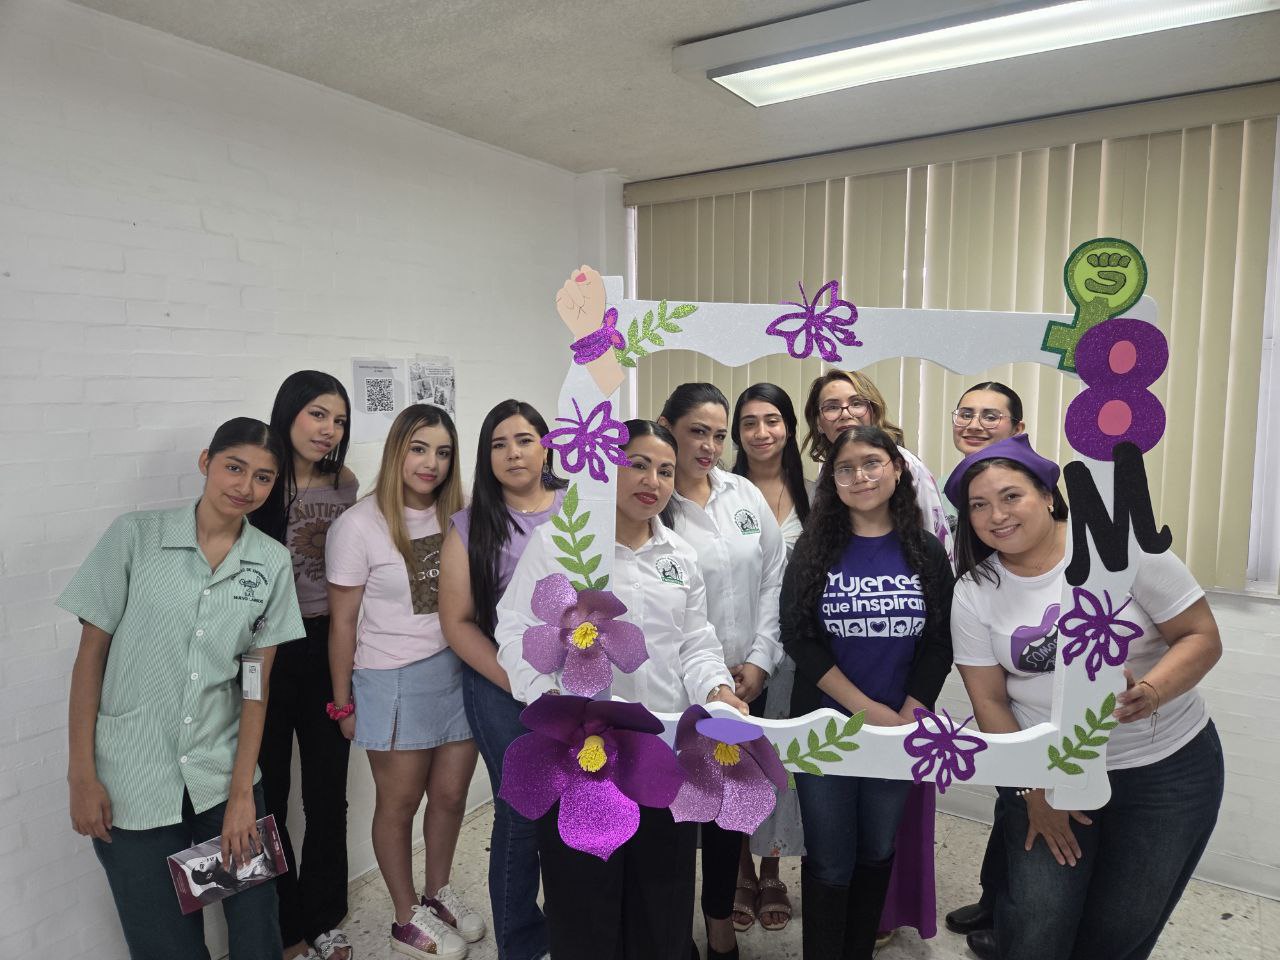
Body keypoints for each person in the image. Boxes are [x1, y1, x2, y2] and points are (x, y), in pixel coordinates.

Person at [948, 435, 1224, 960]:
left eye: (1011, 496)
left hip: (1166, 771)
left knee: (1123, 924)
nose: (996, 516)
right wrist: (1032, 790)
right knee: (1037, 920)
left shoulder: (1121, 548)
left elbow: (1201, 636)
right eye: (979, 505)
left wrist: (1151, 692)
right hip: (1048, 773)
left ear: (1048, 495)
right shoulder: (976, 589)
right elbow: (989, 701)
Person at [495, 419, 749, 960]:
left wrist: (717, 688)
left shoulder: (679, 556)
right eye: (638, 464)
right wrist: (546, 697)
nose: (652, 481)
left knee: (662, 898)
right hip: (582, 755)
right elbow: (514, 629)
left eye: (666, 470)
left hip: (663, 751)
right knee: (584, 901)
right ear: (606, 468)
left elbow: (695, 643)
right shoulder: (561, 544)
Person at [60, 418, 305, 960]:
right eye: (234, 467)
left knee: (256, 932)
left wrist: (242, 796)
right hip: (132, 782)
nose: (245, 486)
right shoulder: (135, 537)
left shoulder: (269, 563)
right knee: (165, 945)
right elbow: (90, 659)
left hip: (222, 776)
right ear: (205, 462)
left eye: (263, 477)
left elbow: (255, 684)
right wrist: (81, 775)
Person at [781, 425, 954, 960]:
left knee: (877, 849)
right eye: (845, 468)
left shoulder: (925, 551)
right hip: (825, 729)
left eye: (872, 463)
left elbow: (940, 642)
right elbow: (799, 639)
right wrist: (866, 711)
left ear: (897, 469)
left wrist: (910, 712)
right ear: (832, 481)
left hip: (899, 730)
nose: (860, 476)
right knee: (830, 860)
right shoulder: (813, 549)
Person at [326, 404, 484, 960]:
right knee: (400, 803)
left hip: (458, 670)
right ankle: (403, 916)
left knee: (450, 795)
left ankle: (438, 893)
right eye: (419, 449)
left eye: (443, 452)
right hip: (390, 677)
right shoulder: (358, 526)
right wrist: (342, 703)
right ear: (397, 450)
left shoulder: (462, 515)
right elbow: (342, 623)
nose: (430, 463)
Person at [657, 383, 787, 959]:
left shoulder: (742, 494)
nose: (709, 446)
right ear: (668, 428)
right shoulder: (652, 504)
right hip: (674, 689)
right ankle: (668, 929)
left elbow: (773, 577)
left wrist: (760, 658)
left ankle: (718, 924)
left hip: (742, 686)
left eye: (717, 434)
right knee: (672, 813)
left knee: (726, 812)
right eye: (696, 432)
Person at [439, 399, 567, 960]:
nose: (513, 453)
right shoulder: (471, 526)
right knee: (521, 814)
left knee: (576, 807)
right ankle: (522, 943)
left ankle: (572, 924)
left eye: (524, 440)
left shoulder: (578, 507)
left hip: (577, 683)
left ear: (547, 446)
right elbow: (457, 623)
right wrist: (519, 682)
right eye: (498, 444)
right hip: (500, 684)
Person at [249, 371, 358, 960]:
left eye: (338, 420)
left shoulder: (345, 483)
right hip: (266, 651)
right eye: (318, 414)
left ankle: (324, 917)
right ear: (288, 411)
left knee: (327, 794)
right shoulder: (260, 482)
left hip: (327, 645)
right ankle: (284, 926)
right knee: (268, 796)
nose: (328, 429)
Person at [938, 380, 1026, 955]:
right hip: (988, 651)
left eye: (990, 416)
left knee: (1025, 787)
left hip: (1032, 654)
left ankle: (1016, 912)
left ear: (1018, 429)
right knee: (1009, 788)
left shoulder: (1028, 490)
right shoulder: (958, 489)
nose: (973, 424)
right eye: (965, 413)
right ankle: (997, 897)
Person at [728, 383, 811, 933]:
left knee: (780, 761)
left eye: (773, 420)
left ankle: (773, 866)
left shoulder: (818, 495)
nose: (762, 432)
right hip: (737, 651)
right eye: (749, 422)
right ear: (737, 433)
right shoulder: (721, 492)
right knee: (733, 759)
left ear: (789, 427)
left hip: (799, 652)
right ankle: (738, 869)